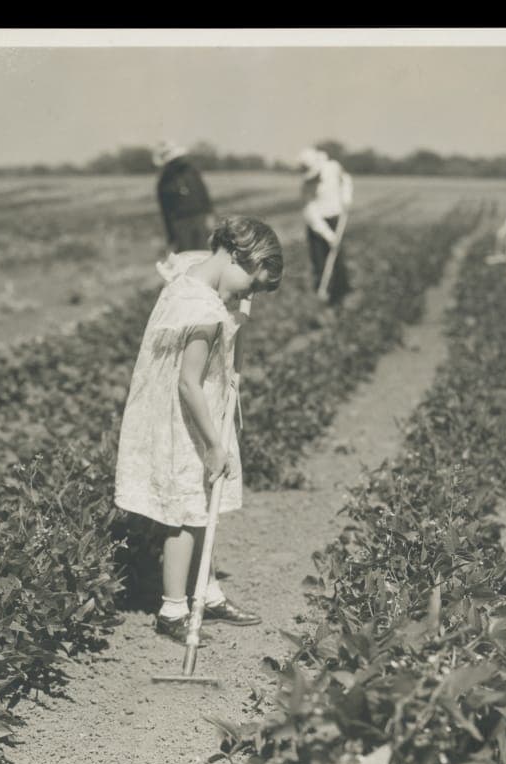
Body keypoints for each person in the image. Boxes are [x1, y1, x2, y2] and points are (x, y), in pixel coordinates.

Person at [114, 216, 284, 643]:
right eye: (249, 283)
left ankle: (206, 593)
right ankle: (173, 609)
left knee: (202, 501)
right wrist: (213, 444)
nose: (245, 294)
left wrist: (240, 305)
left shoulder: (191, 273)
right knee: (185, 513)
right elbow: (188, 382)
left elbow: (215, 280)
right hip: (187, 418)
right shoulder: (203, 311)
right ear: (235, 256)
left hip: (190, 409)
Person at [299, 147, 353, 307]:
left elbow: (346, 181)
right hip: (317, 227)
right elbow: (311, 215)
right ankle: (323, 296)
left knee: (337, 259)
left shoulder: (333, 168)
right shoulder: (306, 187)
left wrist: (346, 198)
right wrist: (329, 236)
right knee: (319, 262)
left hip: (336, 218)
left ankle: (340, 296)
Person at [154, 141, 216, 253]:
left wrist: (209, 214)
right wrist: (171, 236)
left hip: (199, 218)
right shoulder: (164, 182)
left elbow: (203, 193)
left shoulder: (191, 171)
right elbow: (166, 211)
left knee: (204, 254)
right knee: (185, 257)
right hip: (180, 223)